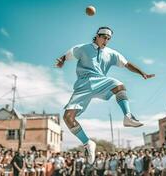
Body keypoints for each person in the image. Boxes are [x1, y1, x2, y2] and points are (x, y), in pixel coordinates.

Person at [56, 26, 155, 164]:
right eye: (104, 37)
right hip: (83, 85)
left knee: (118, 85)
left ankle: (128, 116)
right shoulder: (84, 48)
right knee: (68, 117)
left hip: (100, 81)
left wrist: (142, 73)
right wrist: (62, 61)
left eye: (109, 39)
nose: (106, 40)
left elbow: (127, 64)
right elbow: (68, 54)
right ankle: (87, 143)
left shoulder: (111, 53)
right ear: (97, 36)